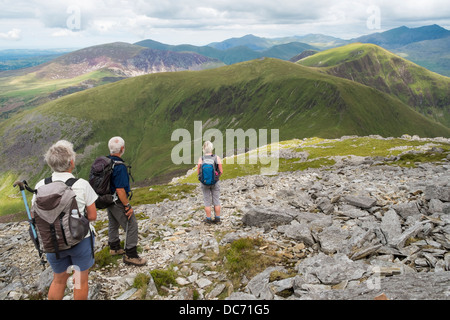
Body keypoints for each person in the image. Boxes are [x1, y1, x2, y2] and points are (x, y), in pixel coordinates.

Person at [32, 140, 97, 300]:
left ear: (50, 164)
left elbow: (35, 215)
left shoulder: (40, 185)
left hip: (52, 242)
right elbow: (93, 216)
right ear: (71, 163)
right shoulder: (82, 184)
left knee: (59, 280)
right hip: (79, 240)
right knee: (80, 280)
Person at [106, 136, 147, 266]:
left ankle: (114, 247)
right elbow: (120, 190)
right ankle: (131, 255)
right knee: (132, 224)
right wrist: (127, 206)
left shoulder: (106, 162)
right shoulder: (120, 166)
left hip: (107, 199)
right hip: (117, 200)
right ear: (122, 149)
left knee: (113, 222)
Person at [197, 141, 223, 224]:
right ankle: (217, 219)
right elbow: (221, 171)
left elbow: (198, 171)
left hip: (204, 183)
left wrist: (201, 179)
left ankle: (208, 219)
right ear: (212, 148)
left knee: (207, 201)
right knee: (216, 200)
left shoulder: (201, 158)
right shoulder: (216, 157)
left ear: (203, 149)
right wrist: (216, 177)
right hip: (215, 182)